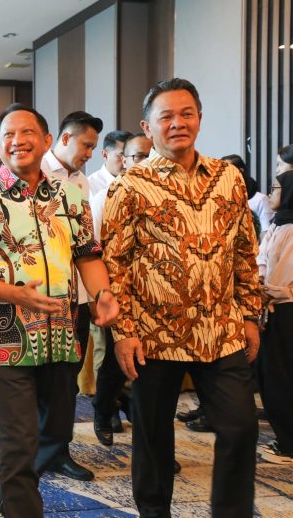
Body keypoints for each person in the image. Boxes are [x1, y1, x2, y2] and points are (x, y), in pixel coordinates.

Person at [103, 78, 262, 517]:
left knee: (240, 427)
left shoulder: (228, 178)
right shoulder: (130, 185)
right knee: (153, 434)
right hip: (154, 333)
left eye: (186, 114)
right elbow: (114, 264)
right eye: (166, 116)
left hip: (221, 328)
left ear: (199, 119)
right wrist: (124, 332)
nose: (178, 123)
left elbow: (245, 251)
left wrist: (250, 314)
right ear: (147, 127)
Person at [0, 103, 118, 516]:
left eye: (28, 132)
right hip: (4, 336)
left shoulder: (72, 196)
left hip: (63, 333)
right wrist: (16, 295)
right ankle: (18, 498)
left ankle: (3, 491)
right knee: (17, 439)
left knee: (54, 434)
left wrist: (102, 294)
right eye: (9, 134)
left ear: (47, 141)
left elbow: (88, 255)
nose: (18, 140)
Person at [38, 110, 103, 482]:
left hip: (75, 300)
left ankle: (58, 451)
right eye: (86, 145)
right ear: (64, 138)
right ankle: (25, 446)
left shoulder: (83, 182)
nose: (89, 153)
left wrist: (94, 295)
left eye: (94, 146)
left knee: (66, 380)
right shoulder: (35, 171)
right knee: (35, 379)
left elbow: (86, 244)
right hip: (41, 296)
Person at [89, 133, 153, 446]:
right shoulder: (105, 198)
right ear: (123, 161)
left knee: (153, 372)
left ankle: (153, 442)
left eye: (149, 155)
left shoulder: (164, 197)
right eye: (138, 156)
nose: (146, 161)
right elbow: (93, 253)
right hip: (118, 297)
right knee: (114, 365)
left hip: (156, 300)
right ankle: (103, 411)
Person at [256, 170, 293, 464]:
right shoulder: (279, 224)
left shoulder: (291, 228)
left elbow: (282, 280)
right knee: (272, 375)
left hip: (285, 309)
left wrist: (261, 289)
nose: (270, 194)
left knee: (281, 377)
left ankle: (288, 443)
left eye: (276, 188)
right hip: (274, 306)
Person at [88, 130, 131, 196]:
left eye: (131, 156)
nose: (127, 161)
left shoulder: (140, 182)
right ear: (105, 155)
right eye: (121, 155)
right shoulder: (89, 187)